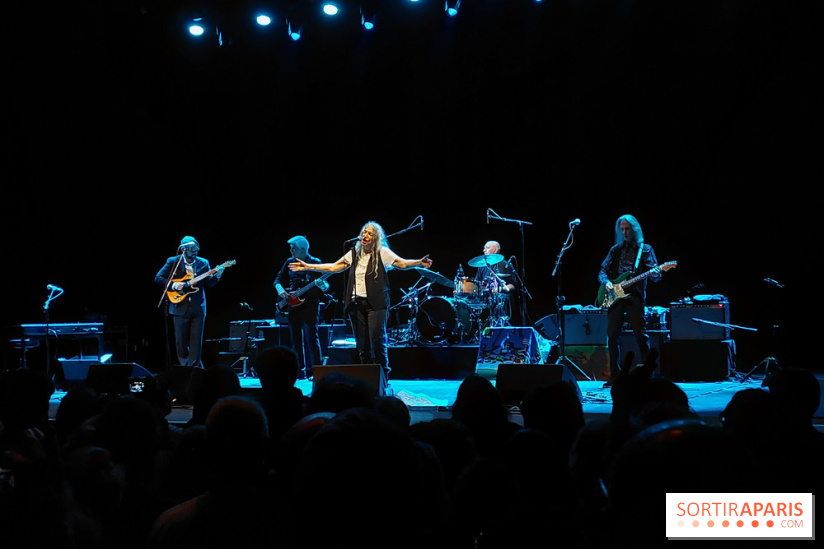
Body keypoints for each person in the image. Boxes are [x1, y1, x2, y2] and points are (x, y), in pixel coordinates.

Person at [289, 221, 432, 376]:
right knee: (362, 347)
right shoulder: (354, 253)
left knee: (377, 341)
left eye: (370, 233)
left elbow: (402, 264)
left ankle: (383, 376)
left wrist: (419, 262)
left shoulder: (382, 252)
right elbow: (334, 267)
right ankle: (368, 377)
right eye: (364, 232)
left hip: (377, 304)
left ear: (376, 238)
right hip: (356, 304)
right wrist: (309, 266)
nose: (365, 236)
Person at [597, 215, 661, 387]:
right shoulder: (615, 250)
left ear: (634, 229)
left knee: (640, 334)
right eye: (622, 229)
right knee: (612, 336)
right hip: (615, 296)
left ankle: (648, 373)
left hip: (635, 296)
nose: (625, 232)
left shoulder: (645, 249)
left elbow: (656, 276)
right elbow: (602, 271)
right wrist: (607, 282)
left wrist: (656, 273)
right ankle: (615, 376)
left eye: (628, 229)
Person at [155, 236, 226, 368]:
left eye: (196, 250)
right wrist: (175, 286)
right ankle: (185, 369)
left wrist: (218, 275)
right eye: (192, 249)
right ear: (183, 249)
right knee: (180, 342)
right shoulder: (173, 262)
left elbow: (209, 283)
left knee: (196, 343)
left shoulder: (203, 263)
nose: (195, 252)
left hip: (198, 307)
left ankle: (194, 370)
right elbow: (158, 277)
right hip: (178, 305)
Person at [274, 235, 330, 379]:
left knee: (311, 338)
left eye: (294, 248)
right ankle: (299, 371)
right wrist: (282, 292)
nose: (291, 251)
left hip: (310, 305)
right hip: (293, 304)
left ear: (303, 249)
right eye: (291, 248)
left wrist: (323, 286)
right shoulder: (289, 262)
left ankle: (314, 371)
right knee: (296, 340)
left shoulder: (315, 262)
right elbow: (277, 280)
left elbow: (326, 285)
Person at [474, 240, 519, 325]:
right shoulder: (482, 267)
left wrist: (499, 289)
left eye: (487, 248)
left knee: (504, 299)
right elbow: (477, 283)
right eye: (484, 248)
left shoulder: (506, 265)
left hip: (502, 299)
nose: (484, 250)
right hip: (486, 299)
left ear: (495, 250)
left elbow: (514, 285)